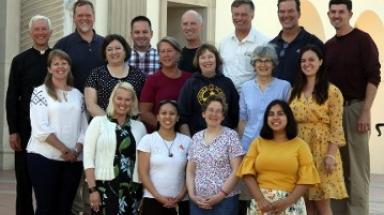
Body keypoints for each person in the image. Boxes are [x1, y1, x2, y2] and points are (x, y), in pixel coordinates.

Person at [325, 1, 381, 215]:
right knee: (337, 169)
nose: (337, 15)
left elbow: (374, 77)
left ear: (349, 13)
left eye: (341, 12)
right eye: (333, 12)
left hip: (355, 110)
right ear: (328, 14)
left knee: (357, 170)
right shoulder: (328, 46)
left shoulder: (362, 40)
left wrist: (365, 111)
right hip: (332, 114)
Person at [27, 49, 88, 215]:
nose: (60, 67)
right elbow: (41, 129)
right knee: (46, 208)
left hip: (73, 160)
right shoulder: (40, 92)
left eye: (64, 63)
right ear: (49, 68)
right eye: (56, 64)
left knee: (65, 208)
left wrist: (76, 150)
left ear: (69, 66)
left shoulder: (78, 95)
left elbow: (84, 128)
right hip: (44, 158)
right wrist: (65, 150)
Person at [290, 45, 348, 214]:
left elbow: (336, 127)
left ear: (321, 62)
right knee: (306, 202)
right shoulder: (294, 91)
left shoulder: (332, 91)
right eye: (303, 61)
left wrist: (330, 155)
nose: (307, 64)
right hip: (300, 149)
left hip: (322, 150)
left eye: (311, 60)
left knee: (322, 202)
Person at [237, 100, 320, 215]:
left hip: (290, 204)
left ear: (288, 118)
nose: (275, 117)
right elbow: (247, 173)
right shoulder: (257, 143)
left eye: (280, 114)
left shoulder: (300, 145)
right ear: (266, 119)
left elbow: (306, 179)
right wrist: (260, 200)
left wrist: (287, 202)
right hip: (261, 205)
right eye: (271, 114)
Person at [5, 15, 52, 215]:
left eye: (44, 29)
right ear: (30, 33)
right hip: (25, 129)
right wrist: (13, 130)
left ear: (50, 32)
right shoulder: (19, 60)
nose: (40, 33)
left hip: (53, 129)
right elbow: (12, 96)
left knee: (48, 181)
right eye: (37, 29)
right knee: (24, 182)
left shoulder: (58, 58)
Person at [83, 82, 147, 215]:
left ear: (132, 102)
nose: (123, 103)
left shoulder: (140, 127)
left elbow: (144, 163)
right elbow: (88, 158)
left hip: (132, 188)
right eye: (119, 98)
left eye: (127, 99)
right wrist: (92, 190)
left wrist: (144, 192)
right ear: (113, 99)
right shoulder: (98, 122)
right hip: (104, 187)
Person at [186, 95, 244, 215]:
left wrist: (221, 195)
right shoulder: (196, 138)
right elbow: (190, 171)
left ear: (223, 116)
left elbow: (237, 170)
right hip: (198, 202)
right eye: (211, 110)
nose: (214, 114)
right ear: (203, 113)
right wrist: (192, 195)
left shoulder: (231, 136)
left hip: (224, 202)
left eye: (218, 111)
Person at [138, 100, 192, 215]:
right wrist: (159, 197)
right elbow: (143, 173)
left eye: (172, 114)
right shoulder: (148, 140)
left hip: (181, 201)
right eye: (163, 113)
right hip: (153, 200)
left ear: (177, 118)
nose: (168, 117)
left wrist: (180, 196)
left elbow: (191, 173)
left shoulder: (187, 142)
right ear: (157, 117)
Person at [238, 44, 291, 151]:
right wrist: (242, 143)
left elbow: (289, 119)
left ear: (273, 64)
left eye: (267, 60)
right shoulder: (246, 87)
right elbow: (242, 120)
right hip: (249, 144)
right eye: (259, 60)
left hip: (276, 144)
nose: (263, 64)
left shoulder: (284, 87)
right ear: (254, 64)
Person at [178, 43, 239, 136]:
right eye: (202, 57)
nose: (207, 60)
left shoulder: (227, 83)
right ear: (198, 61)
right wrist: (189, 141)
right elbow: (183, 116)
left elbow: (235, 113)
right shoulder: (191, 84)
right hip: (198, 139)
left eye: (210, 57)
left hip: (224, 139)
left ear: (216, 59)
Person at [84, 34, 145, 117]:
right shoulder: (96, 74)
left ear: (125, 51)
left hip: (131, 125)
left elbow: (144, 104)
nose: (114, 52)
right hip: (103, 125)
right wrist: (111, 124)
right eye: (109, 49)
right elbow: (91, 106)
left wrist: (129, 124)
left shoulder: (137, 74)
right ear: (105, 53)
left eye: (118, 48)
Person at [140, 36, 192, 131]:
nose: (166, 55)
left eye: (169, 51)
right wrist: (165, 127)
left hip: (186, 134)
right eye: (162, 52)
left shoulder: (189, 79)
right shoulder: (152, 80)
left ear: (178, 54)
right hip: (160, 135)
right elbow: (144, 112)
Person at [270, 0, 323, 85]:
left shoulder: (314, 43)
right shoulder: (270, 46)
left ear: (299, 13)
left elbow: (322, 76)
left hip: (304, 97)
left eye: (290, 11)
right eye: (282, 12)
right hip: (276, 98)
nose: (286, 15)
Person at [54, 0, 104, 92]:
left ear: (94, 17)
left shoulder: (106, 44)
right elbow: (52, 76)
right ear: (73, 18)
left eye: (88, 15)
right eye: (80, 15)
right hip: (72, 103)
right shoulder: (62, 45)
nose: (84, 18)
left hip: (102, 104)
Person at [219, 0, 269, 92]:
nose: (239, 18)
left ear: (252, 15)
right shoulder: (224, 42)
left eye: (244, 14)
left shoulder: (264, 43)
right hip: (226, 97)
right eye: (236, 14)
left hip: (252, 96)